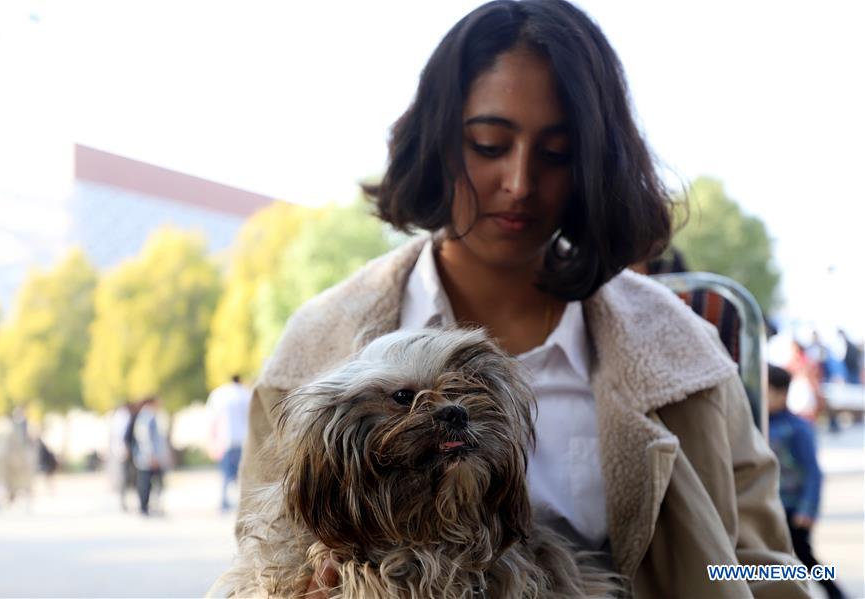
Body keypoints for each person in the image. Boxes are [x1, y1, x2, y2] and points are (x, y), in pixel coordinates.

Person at [230, 1, 806, 596]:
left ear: (593, 167)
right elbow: (259, 562)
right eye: (488, 143)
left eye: (557, 154)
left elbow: (766, 566)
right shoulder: (311, 349)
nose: (520, 183)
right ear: (437, 144)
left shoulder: (682, 353)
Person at [767, 364, 846, 598]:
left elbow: (813, 471)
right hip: (772, 505)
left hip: (793, 508)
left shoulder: (797, 428)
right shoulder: (760, 423)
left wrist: (807, 510)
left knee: (803, 556)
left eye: (768, 391)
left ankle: (835, 593)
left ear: (781, 393)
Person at [205, 374, 251, 511]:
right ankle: (243, 501)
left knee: (225, 473)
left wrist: (211, 441)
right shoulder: (246, 394)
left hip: (225, 440)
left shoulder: (219, 394)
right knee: (243, 473)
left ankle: (224, 501)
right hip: (244, 439)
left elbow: (212, 419)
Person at [132, 396, 170, 516]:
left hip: (151, 456)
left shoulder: (150, 415)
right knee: (146, 483)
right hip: (148, 458)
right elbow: (145, 437)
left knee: (153, 482)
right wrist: (151, 455)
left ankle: (150, 506)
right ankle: (144, 507)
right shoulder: (146, 416)